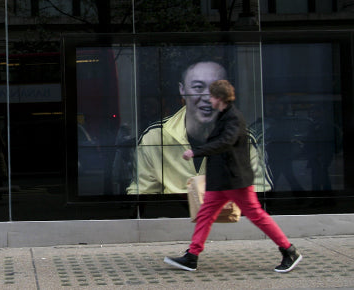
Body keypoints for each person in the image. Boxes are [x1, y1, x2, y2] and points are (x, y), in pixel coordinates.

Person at [163, 80, 302, 273]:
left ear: (219, 98)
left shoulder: (233, 118)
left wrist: (197, 152)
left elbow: (226, 142)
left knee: (257, 216)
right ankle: (192, 256)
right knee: (205, 215)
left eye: (211, 96)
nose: (209, 99)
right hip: (221, 180)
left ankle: (289, 250)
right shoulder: (223, 116)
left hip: (235, 180)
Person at [127, 60, 271, 194]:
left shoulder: (244, 139)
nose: (208, 97)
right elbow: (142, 198)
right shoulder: (155, 137)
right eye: (198, 87)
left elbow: (259, 194)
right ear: (182, 90)